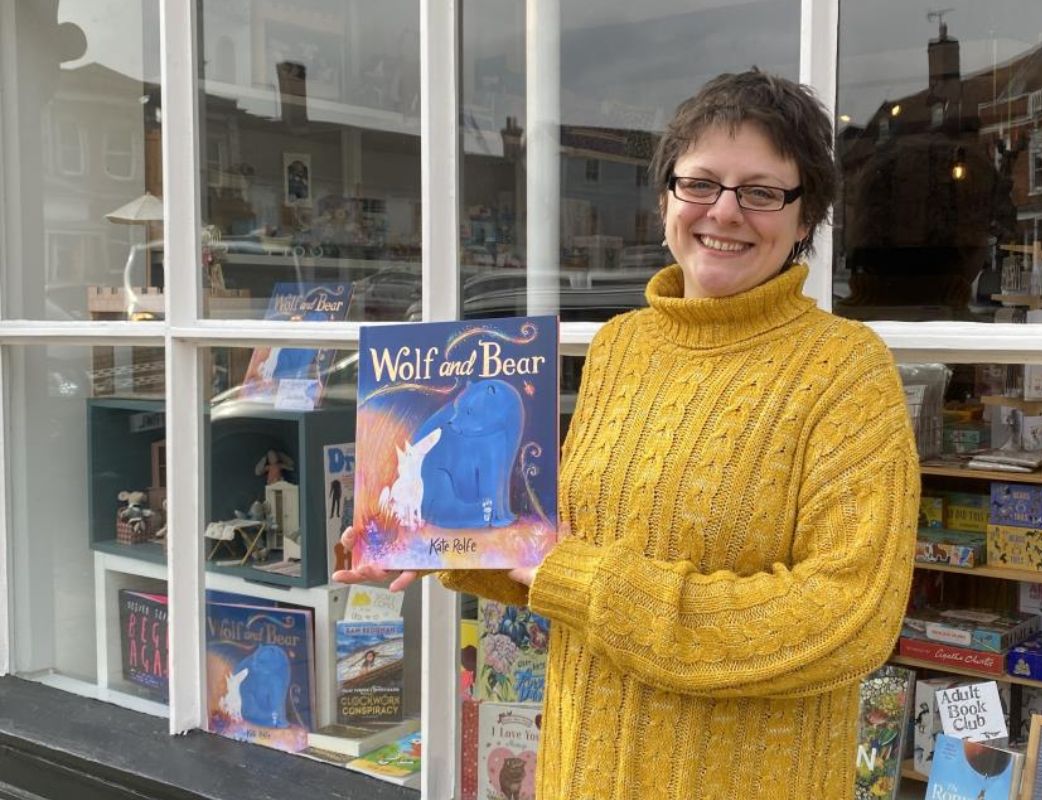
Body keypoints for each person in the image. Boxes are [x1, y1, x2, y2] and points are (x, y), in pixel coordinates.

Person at [335, 68, 919, 799]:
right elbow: (565, 542)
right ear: (666, 198)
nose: (725, 212)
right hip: (586, 772)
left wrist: (583, 581)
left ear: (805, 220)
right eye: (700, 183)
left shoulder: (846, 371)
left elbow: (847, 619)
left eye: (761, 192)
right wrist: (435, 539)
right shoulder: (621, 347)